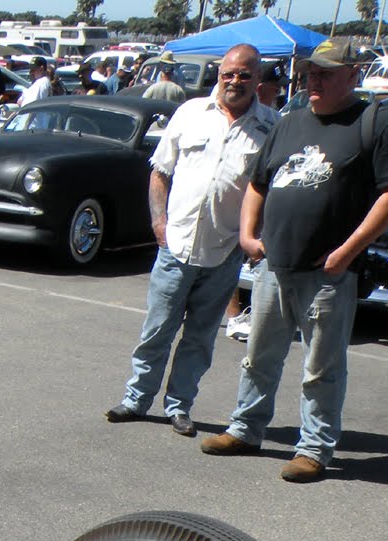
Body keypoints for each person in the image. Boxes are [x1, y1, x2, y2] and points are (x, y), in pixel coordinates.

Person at [201, 38, 388, 483]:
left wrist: (346, 251)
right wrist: (247, 233)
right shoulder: (290, 121)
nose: (314, 81)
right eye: (311, 73)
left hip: (329, 272)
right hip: (274, 265)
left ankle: (314, 448)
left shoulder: (376, 122)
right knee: (259, 355)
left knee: (322, 366)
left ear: (353, 74)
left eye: (326, 73)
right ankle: (246, 428)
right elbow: (259, 183)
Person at [106, 44, 277, 438]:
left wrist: (250, 237)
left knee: (199, 338)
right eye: (228, 74)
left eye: (244, 75)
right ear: (219, 74)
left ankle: (179, 406)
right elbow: (159, 172)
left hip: (225, 251)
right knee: (157, 330)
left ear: (257, 79)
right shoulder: (189, 113)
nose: (235, 81)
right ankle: (136, 399)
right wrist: (159, 223)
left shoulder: (270, 125)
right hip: (176, 244)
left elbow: (267, 189)